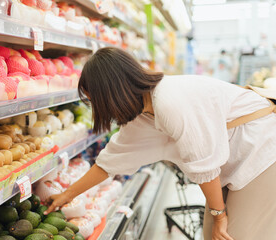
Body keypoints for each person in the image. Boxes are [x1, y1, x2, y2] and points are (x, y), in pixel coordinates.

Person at [44, 47, 276, 240]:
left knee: (235, 235)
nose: (97, 109)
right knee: (213, 235)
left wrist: (220, 216)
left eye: (96, 101)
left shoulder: (168, 101)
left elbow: (204, 166)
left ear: (111, 92)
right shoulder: (142, 114)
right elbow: (109, 162)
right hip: (230, 160)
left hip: (260, 151)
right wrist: (66, 195)